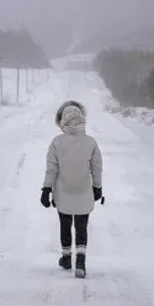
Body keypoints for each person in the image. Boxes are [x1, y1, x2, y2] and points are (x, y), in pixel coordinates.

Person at [41, 100, 103, 278]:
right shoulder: (91, 143)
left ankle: (66, 257)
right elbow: (96, 168)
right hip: (84, 190)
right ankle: (81, 260)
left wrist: (46, 189)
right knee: (81, 226)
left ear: (63, 120)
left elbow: (52, 169)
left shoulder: (57, 143)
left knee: (65, 224)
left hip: (63, 191)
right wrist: (97, 187)